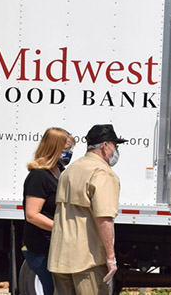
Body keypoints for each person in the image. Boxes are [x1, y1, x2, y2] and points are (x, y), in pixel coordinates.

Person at [48, 124, 125, 295]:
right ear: (105, 146)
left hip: (60, 258)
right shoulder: (102, 173)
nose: (116, 151)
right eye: (115, 146)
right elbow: (104, 218)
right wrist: (111, 258)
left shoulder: (70, 170)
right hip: (86, 261)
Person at [21, 127, 76, 295]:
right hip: (41, 248)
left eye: (70, 149)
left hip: (56, 246)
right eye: (66, 149)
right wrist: (61, 228)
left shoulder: (60, 172)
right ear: (54, 148)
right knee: (52, 290)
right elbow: (32, 215)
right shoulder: (39, 176)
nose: (69, 153)